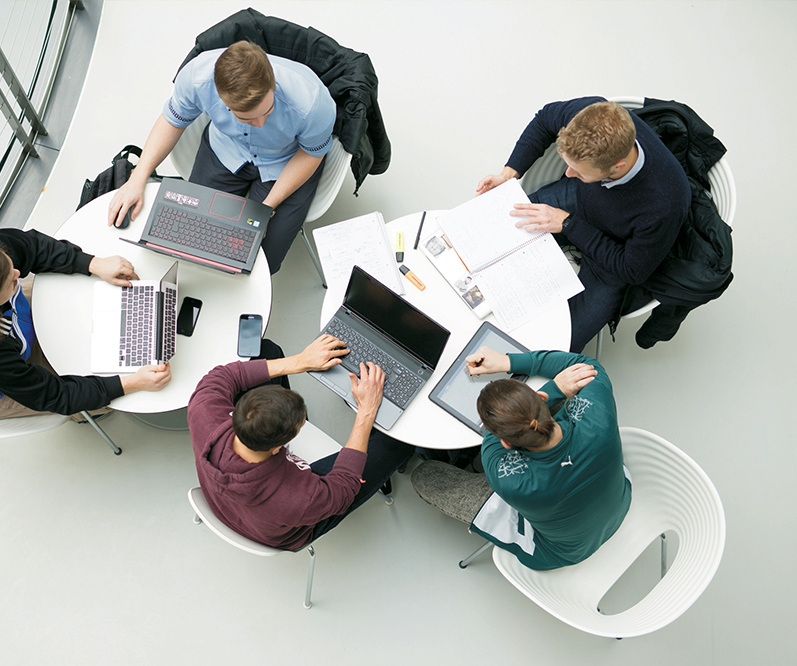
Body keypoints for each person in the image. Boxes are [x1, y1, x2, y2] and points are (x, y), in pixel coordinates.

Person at [476, 97, 691, 351]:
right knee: (488, 238)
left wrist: (568, 225)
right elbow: (545, 118)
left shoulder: (664, 205)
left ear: (617, 166)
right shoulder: (590, 116)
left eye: (579, 171)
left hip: (614, 251)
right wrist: (508, 175)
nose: (567, 174)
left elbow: (632, 270)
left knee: (558, 344)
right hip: (579, 200)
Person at [107, 40, 336, 275]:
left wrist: (264, 210)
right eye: (246, 118)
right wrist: (138, 178)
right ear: (222, 100)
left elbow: (311, 154)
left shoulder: (312, 102)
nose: (260, 124)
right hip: (226, 150)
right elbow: (172, 121)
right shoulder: (198, 78)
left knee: (261, 260)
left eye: (267, 111)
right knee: (191, 235)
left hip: (286, 162)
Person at [411, 348, 631, 570]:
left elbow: (490, 436)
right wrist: (510, 362)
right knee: (572, 388)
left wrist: (552, 390)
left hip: (561, 552)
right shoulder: (599, 412)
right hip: (619, 504)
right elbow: (583, 362)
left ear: (506, 443)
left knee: (424, 475)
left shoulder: (506, 478)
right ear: (542, 398)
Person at [188, 335, 415, 550]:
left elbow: (221, 377)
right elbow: (343, 489)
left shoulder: (203, 412)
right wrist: (366, 411)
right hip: (286, 530)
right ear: (279, 447)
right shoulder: (299, 497)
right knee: (396, 441)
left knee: (266, 350)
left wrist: (300, 361)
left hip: (229, 504)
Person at [0, 228, 171, 419]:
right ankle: (88, 418)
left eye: (11, 267)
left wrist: (94, 264)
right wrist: (132, 383)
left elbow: (31, 247)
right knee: (104, 401)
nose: (18, 273)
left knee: (82, 295)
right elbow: (55, 395)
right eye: (10, 281)